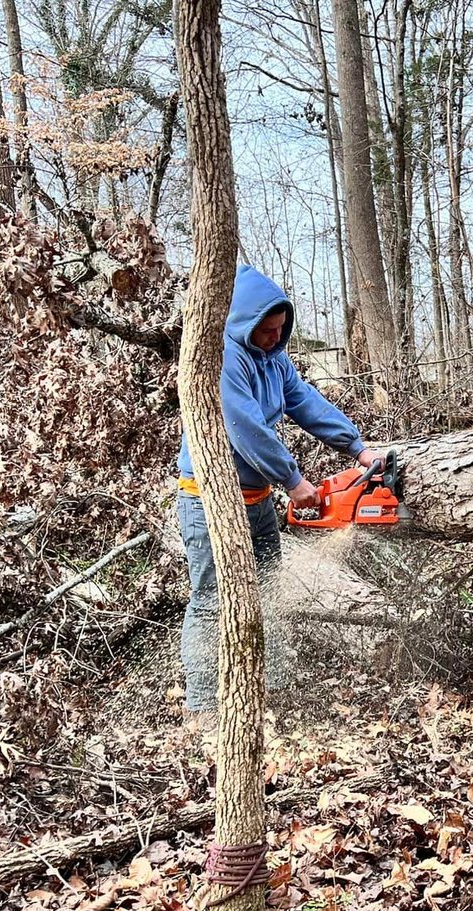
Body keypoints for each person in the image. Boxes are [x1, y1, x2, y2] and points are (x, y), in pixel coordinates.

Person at [176, 264, 382, 724]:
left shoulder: (275, 359)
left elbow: (304, 400)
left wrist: (358, 448)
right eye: (266, 331)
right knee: (212, 597)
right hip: (208, 498)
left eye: (280, 330)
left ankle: (274, 686)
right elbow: (244, 427)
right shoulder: (223, 359)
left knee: (269, 588)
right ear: (242, 323)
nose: (273, 338)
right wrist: (294, 480)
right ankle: (204, 708)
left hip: (256, 498)